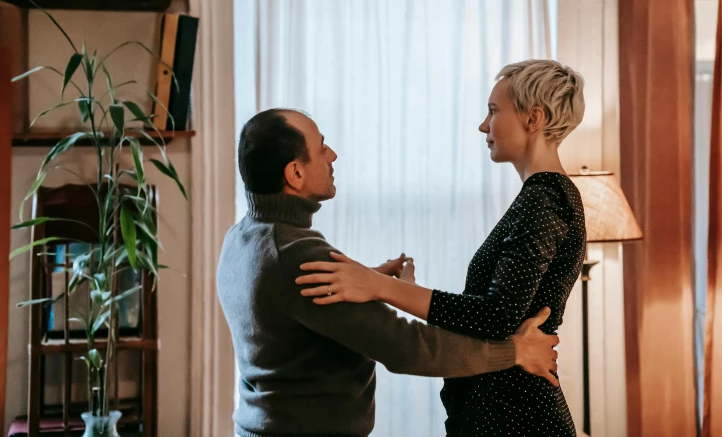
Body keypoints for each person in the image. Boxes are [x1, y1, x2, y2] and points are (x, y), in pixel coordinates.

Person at [216, 108, 561, 437]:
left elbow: (289, 307)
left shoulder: (243, 236)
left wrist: (373, 278)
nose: (332, 155)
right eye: (321, 147)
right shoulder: (297, 256)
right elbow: (409, 347)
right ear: (295, 173)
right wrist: (516, 352)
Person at [297, 59, 587, 436]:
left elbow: (497, 315)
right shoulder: (541, 197)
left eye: (494, 111)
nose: (484, 125)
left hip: (517, 414)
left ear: (533, 118)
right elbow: (497, 313)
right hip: (501, 408)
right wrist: (406, 290)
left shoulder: (545, 198)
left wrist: (379, 286)